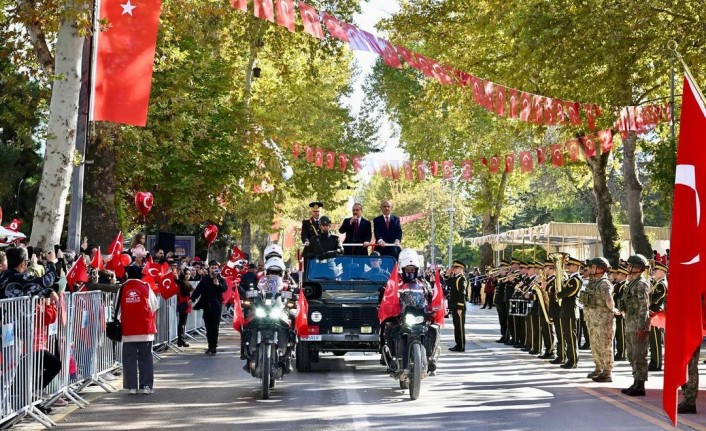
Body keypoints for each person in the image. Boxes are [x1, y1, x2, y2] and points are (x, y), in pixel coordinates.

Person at [120, 265, 159, 394]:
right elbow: (154, 306)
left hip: (128, 330)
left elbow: (117, 310)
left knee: (129, 358)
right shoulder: (146, 287)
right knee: (146, 358)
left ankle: (132, 387)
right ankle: (146, 386)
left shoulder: (122, 288)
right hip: (145, 330)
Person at [618, 254, 651, 396]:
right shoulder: (631, 282)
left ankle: (640, 384)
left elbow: (644, 307)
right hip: (630, 323)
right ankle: (636, 381)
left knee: (639, 355)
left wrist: (642, 327)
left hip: (638, 325)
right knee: (631, 355)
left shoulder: (641, 284)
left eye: (630, 265)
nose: (628, 267)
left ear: (637, 268)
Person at [583, 257, 617, 382]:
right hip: (593, 320)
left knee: (605, 346)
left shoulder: (604, 283)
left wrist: (614, 310)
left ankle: (607, 372)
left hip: (603, 321)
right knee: (594, 344)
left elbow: (609, 301)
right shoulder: (594, 282)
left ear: (601, 269)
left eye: (593, 267)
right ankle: (598, 367)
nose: (590, 269)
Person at [191, 260, 227, 355]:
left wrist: (218, 284)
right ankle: (210, 346)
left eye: (216, 268)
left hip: (216, 307)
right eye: (212, 267)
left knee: (215, 328)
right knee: (208, 327)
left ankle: (214, 346)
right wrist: (192, 298)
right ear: (209, 268)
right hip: (206, 306)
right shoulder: (205, 279)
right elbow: (198, 290)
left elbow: (225, 288)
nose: (214, 269)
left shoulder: (221, 279)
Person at [557, 256, 582, 369]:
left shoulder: (576, 280)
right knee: (567, 336)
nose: (568, 267)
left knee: (571, 337)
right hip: (566, 310)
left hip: (571, 310)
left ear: (576, 267)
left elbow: (569, 293)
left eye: (570, 265)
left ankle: (573, 361)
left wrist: (558, 294)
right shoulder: (569, 279)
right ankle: (569, 359)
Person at [445, 260, 468, 352]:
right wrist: (447, 273)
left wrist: (460, 307)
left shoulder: (461, 279)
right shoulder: (455, 278)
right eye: (454, 267)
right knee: (456, 326)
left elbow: (461, 294)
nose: (454, 269)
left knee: (460, 327)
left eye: (456, 268)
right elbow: (448, 282)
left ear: (461, 269)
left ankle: (461, 345)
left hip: (459, 307)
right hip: (454, 306)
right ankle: (458, 344)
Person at [649, 261, 667, 371]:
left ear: (662, 272)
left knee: (655, 340)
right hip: (652, 313)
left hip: (656, 314)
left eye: (656, 270)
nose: (654, 272)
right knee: (652, 340)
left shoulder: (661, 285)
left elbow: (652, 299)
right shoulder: (655, 283)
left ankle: (657, 363)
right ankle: (654, 361)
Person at [612, 266, 628, 361]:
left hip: (621, 312)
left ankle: (622, 353)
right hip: (616, 311)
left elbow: (621, 298)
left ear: (623, 275)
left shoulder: (624, 285)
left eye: (618, 274)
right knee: (617, 333)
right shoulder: (617, 285)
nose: (616, 275)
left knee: (621, 333)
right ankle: (619, 352)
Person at [176, 270, 194, 347]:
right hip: (183, 304)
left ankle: (181, 340)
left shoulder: (186, 283)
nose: (188, 275)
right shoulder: (182, 283)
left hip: (185, 304)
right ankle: (181, 340)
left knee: (182, 323)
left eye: (189, 274)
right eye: (186, 274)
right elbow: (183, 293)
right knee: (182, 323)